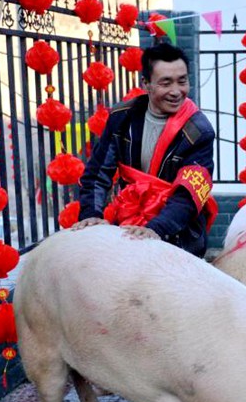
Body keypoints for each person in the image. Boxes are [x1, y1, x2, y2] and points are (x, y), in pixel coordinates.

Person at [73, 42, 217, 257]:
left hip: (178, 232)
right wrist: (91, 213)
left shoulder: (199, 131)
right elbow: (97, 173)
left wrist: (155, 229)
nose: (176, 91)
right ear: (146, 84)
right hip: (128, 219)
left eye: (182, 81)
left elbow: (188, 195)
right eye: (165, 83)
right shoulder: (121, 118)